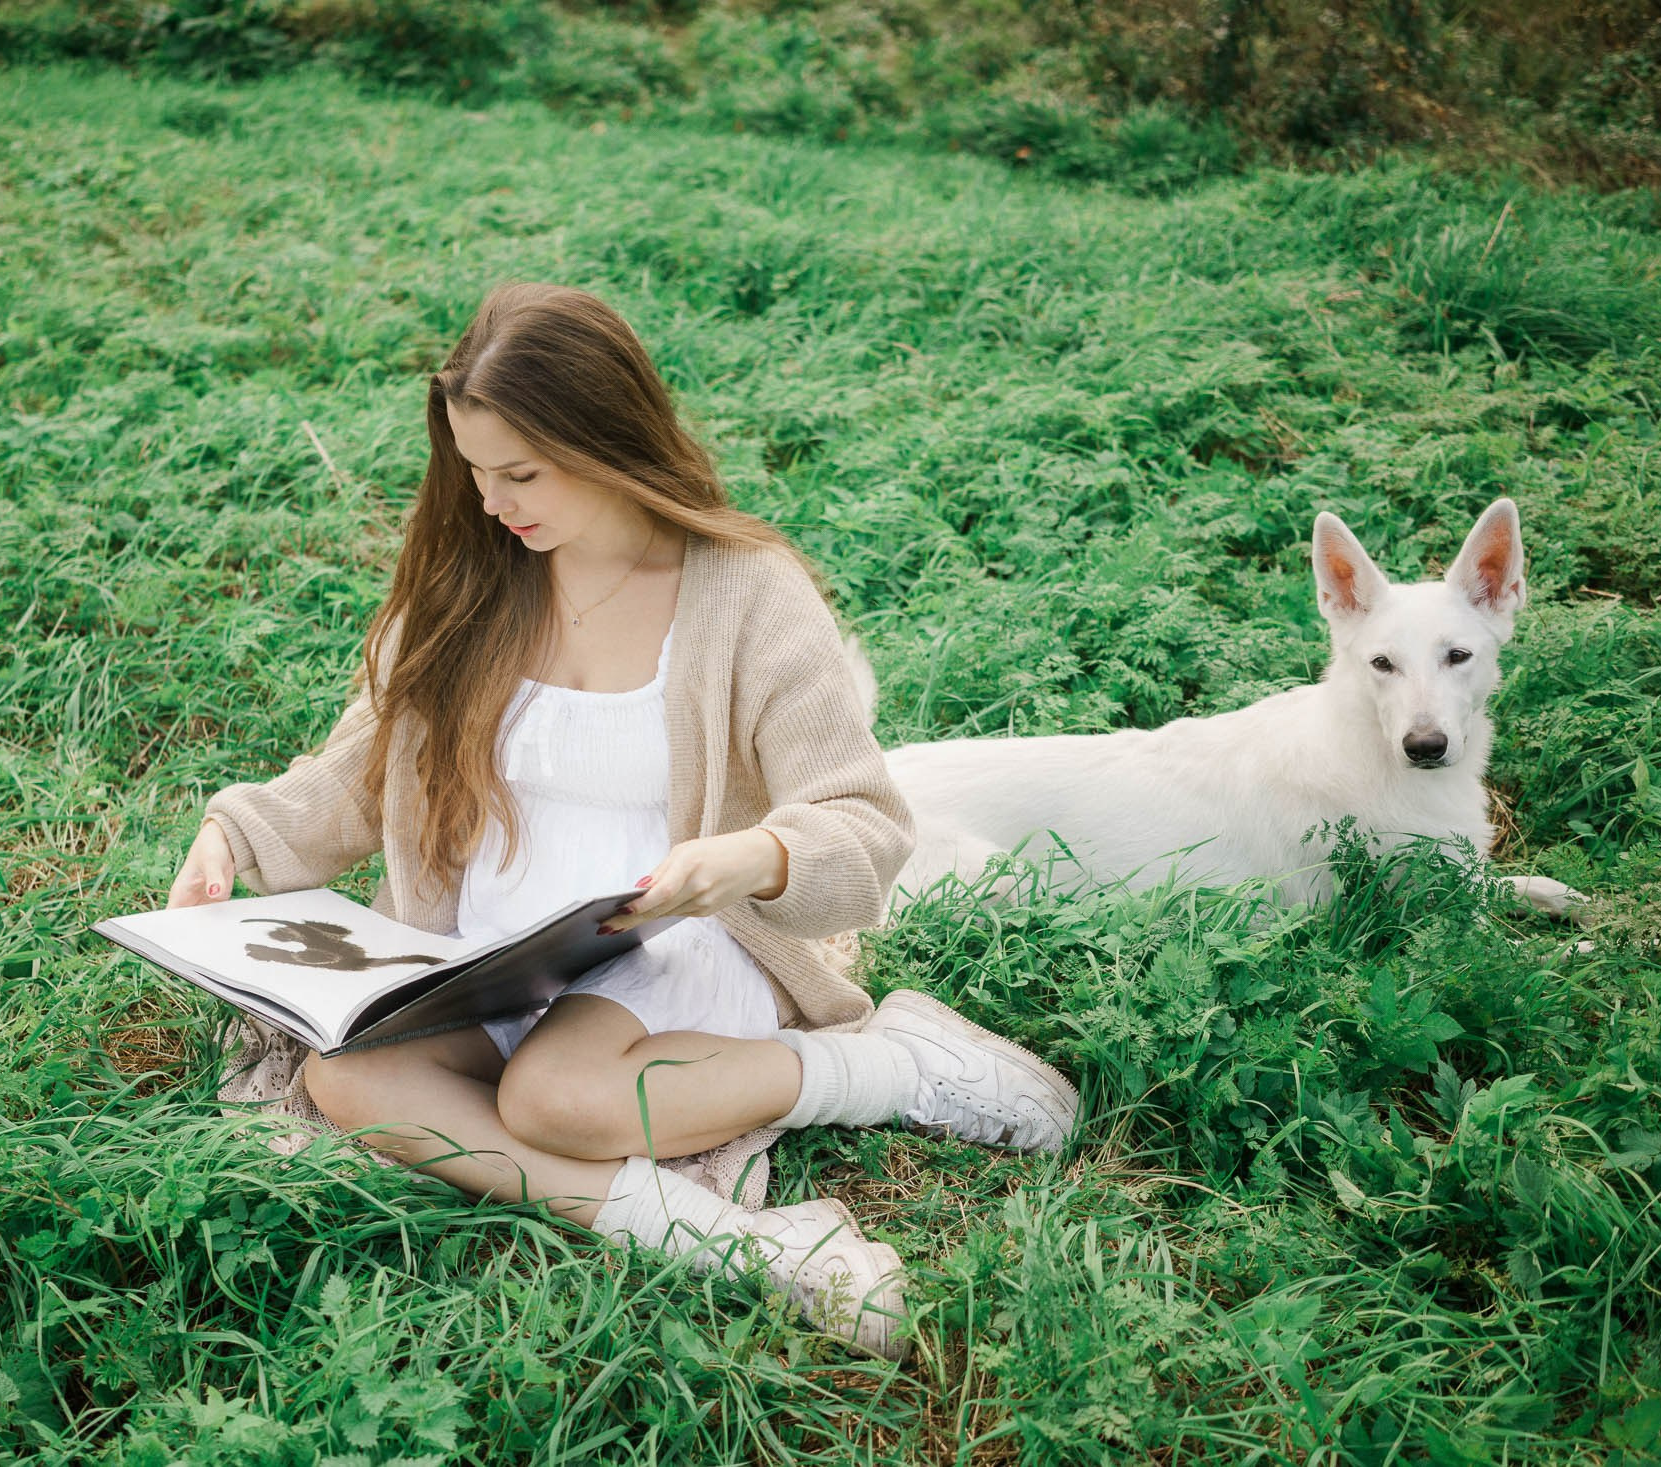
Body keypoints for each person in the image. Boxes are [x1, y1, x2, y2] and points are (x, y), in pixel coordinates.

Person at [170, 283, 1080, 1360]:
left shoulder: (745, 590)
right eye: (473, 470)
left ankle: (888, 1068)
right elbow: (359, 770)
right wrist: (235, 835)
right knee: (346, 1074)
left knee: (557, 1096)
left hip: (667, 943)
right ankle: (733, 1242)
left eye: (522, 473)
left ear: (605, 441)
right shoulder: (471, 583)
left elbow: (864, 819)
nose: (495, 500)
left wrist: (752, 857)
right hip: (486, 956)